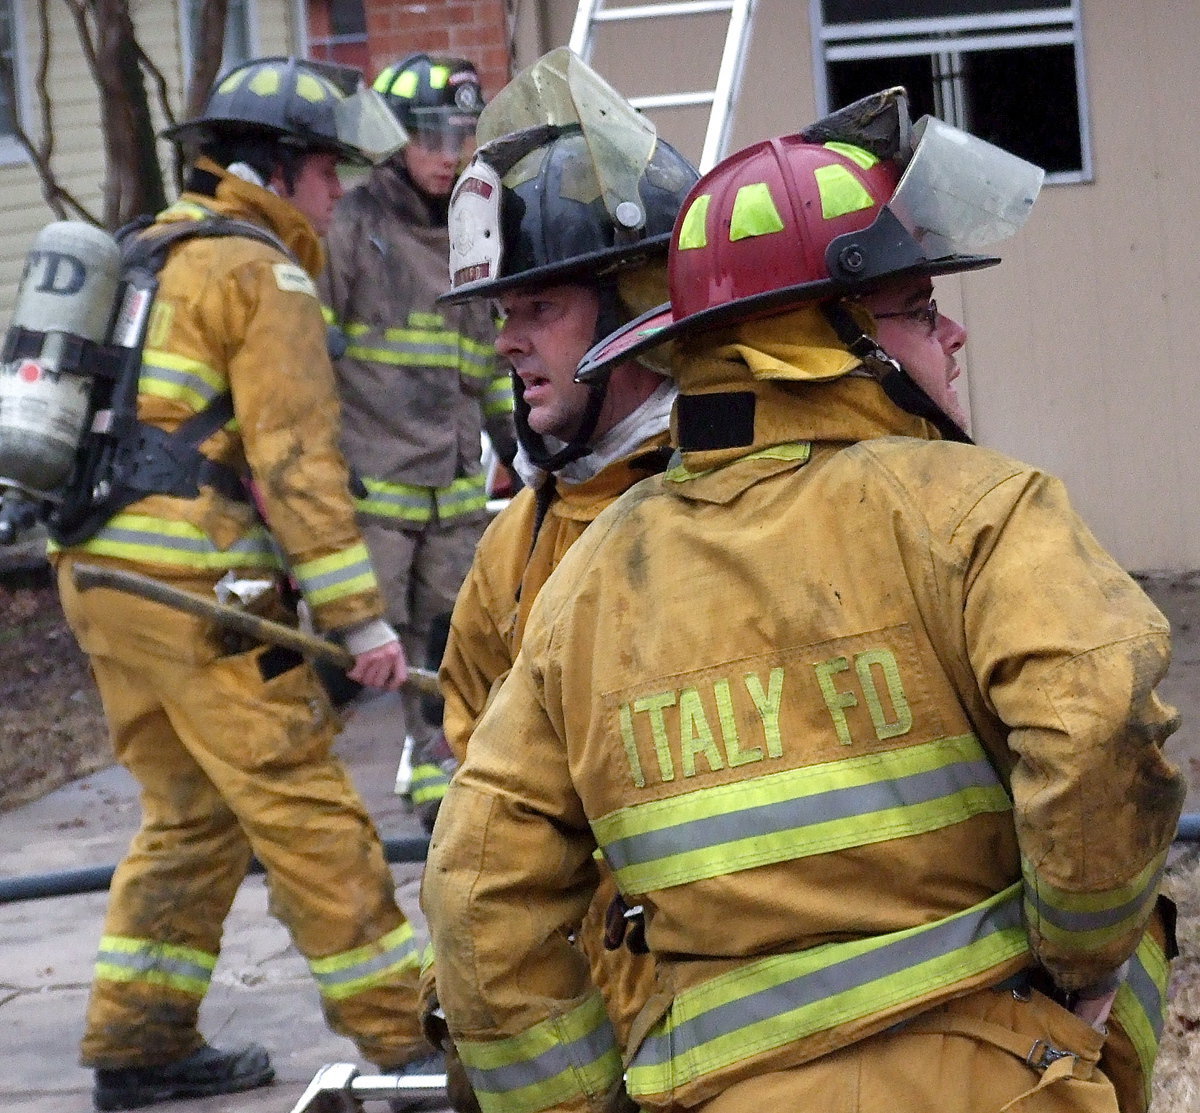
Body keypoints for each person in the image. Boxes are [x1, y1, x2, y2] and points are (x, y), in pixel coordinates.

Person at [422, 89, 1186, 1113]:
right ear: (831, 338)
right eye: (920, 309)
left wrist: (577, 1102)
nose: (953, 335)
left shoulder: (588, 580)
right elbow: (1099, 725)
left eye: (538, 308)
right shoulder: (984, 511)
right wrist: (1081, 954)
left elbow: (475, 888)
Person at [50, 57, 439, 1111]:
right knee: (306, 802)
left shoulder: (147, 252)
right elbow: (297, 463)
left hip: (101, 578)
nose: (339, 194)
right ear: (283, 168)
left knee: (189, 815)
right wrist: (361, 621)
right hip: (205, 592)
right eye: (329, 174)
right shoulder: (263, 275)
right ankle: (408, 1037)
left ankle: (139, 1040)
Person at [414, 48, 696, 1107]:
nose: (507, 340)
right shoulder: (521, 541)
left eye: (536, 306)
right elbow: (485, 815)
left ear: (637, 305)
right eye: (500, 312)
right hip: (579, 1036)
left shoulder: (735, 504)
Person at [320, 53, 515, 814]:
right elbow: (306, 357)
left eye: (461, 135)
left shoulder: (472, 229)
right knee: (351, 648)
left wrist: (518, 440)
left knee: (449, 641)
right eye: (430, 136)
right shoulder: (352, 225)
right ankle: (288, 781)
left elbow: (488, 355)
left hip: (455, 488)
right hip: (372, 487)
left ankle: (441, 784)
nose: (447, 153)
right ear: (395, 139)